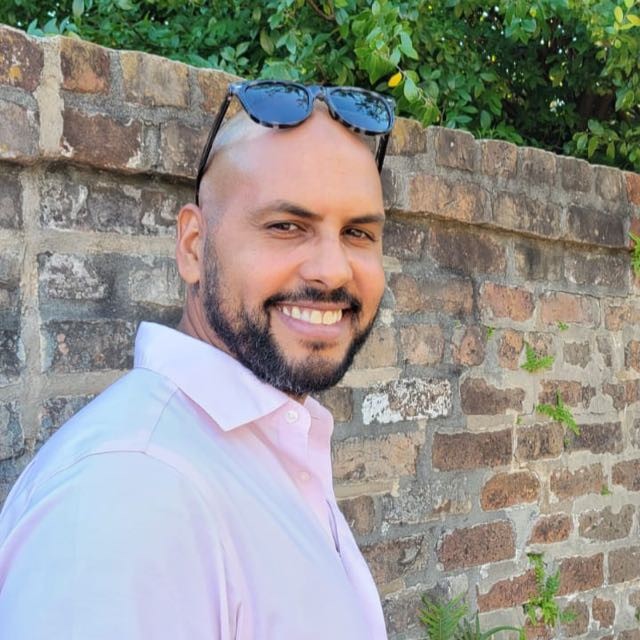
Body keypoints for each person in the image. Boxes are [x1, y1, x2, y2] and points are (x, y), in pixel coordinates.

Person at [0, 80, 395, 639]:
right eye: (286, 227)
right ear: (192, 246)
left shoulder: (266, 442)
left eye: (357, 232)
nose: (332, 270)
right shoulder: (132, 492)